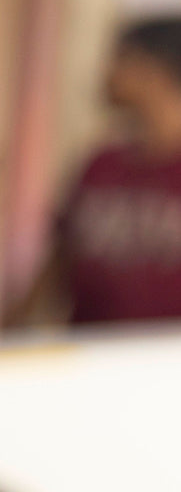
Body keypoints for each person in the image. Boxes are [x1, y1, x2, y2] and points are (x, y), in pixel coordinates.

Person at [17, 18, 181, 327]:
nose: (107, 73)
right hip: (90, 355)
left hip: (167, 362)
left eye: (120, 59)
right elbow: (61, 257)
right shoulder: (101, 164)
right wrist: (14, 326)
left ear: (154, 68)